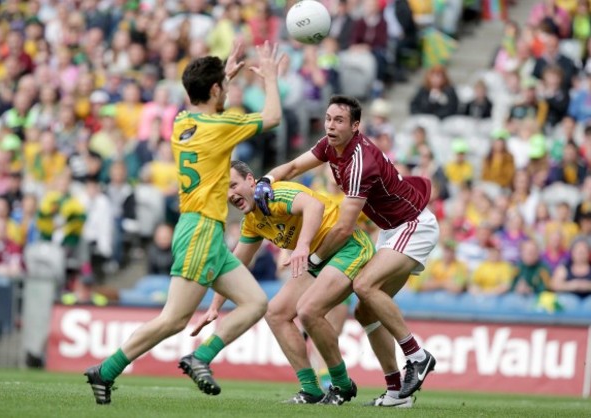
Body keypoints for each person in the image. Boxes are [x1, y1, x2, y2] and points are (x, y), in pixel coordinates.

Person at [84, 41, 283, 405]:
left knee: (256, 303)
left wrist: (224, 77)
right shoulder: (219, 125)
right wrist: (270, 78)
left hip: (206, 231)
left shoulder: (181, 120)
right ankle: (106, 370)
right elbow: (272, 118)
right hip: (201, 229)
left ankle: (200, 357)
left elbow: (210, 101)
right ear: (215, 90)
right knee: (174, 319)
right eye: (222, 87)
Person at [254, 95, 439, 404]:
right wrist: (266, 179)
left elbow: (343, 228)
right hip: (391, 229)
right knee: (364, 308)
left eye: (339, 121)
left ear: (355, 126)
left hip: (413, 224)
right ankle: (396, 391)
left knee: (364, 285)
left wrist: (313, 259)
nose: (330, 125)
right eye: (328, 119)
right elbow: (296, 165)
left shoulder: (360, 162)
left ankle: (417, 357)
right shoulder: (331, 146)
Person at [192, 160, 377, 405]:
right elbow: (237, 266)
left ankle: (342, 384)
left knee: (309, 311)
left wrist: (301, 245)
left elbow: (314, 204)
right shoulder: (253, 222)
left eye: (233, 185)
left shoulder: (274, 193)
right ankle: (311, 389)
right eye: (225, 190)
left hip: (346, 247)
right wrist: (215, 306)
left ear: (251, 181)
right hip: (315, 260)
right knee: (276, 313)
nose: (230, 194)